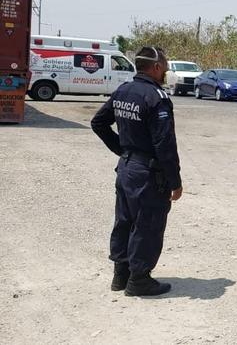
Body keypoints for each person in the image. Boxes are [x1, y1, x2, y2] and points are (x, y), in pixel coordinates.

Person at [91, 47, 183, 297]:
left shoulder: (124, 90)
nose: (166, 70)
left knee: (125, 220)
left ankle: (120, 275)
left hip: (127, 168)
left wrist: (123, 151)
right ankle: (139, 279)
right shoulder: (156, 97)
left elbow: (98, 122)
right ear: (155, 67)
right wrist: (175, 182)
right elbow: (164, 145)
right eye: (164, 65)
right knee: (147, 224)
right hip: (146, 174)